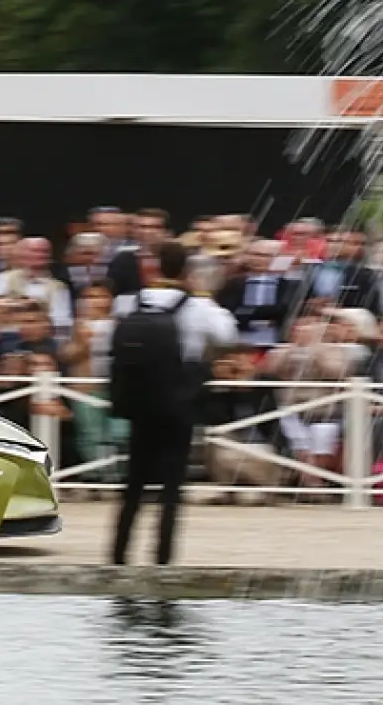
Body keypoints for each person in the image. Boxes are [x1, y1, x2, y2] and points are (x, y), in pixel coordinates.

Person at [106, 239, 236, 565]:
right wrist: (205, 295)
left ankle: (118, 554)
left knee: (134, 482)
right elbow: (227, 338)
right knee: (172, 483)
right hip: (179, 402)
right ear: (187, 270)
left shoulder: (129, 302)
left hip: (141, 401)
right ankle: (162, 556)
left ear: (153, 267)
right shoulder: (198, 306)